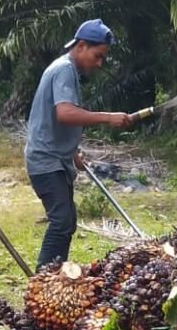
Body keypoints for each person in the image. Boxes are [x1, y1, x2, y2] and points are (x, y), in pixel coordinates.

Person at [24, 19, 133, 270]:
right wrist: (108, 117)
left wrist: (73, 154)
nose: (99, 63)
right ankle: (43, 279)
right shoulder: (64, 69)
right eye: (98, 56)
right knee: (61, 222)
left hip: (57, 159)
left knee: (68, 222)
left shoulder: (66, 70)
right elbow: (65, 113)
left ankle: (57, 275)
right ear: (82, 45)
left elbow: (53, 121)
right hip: (46, 160)